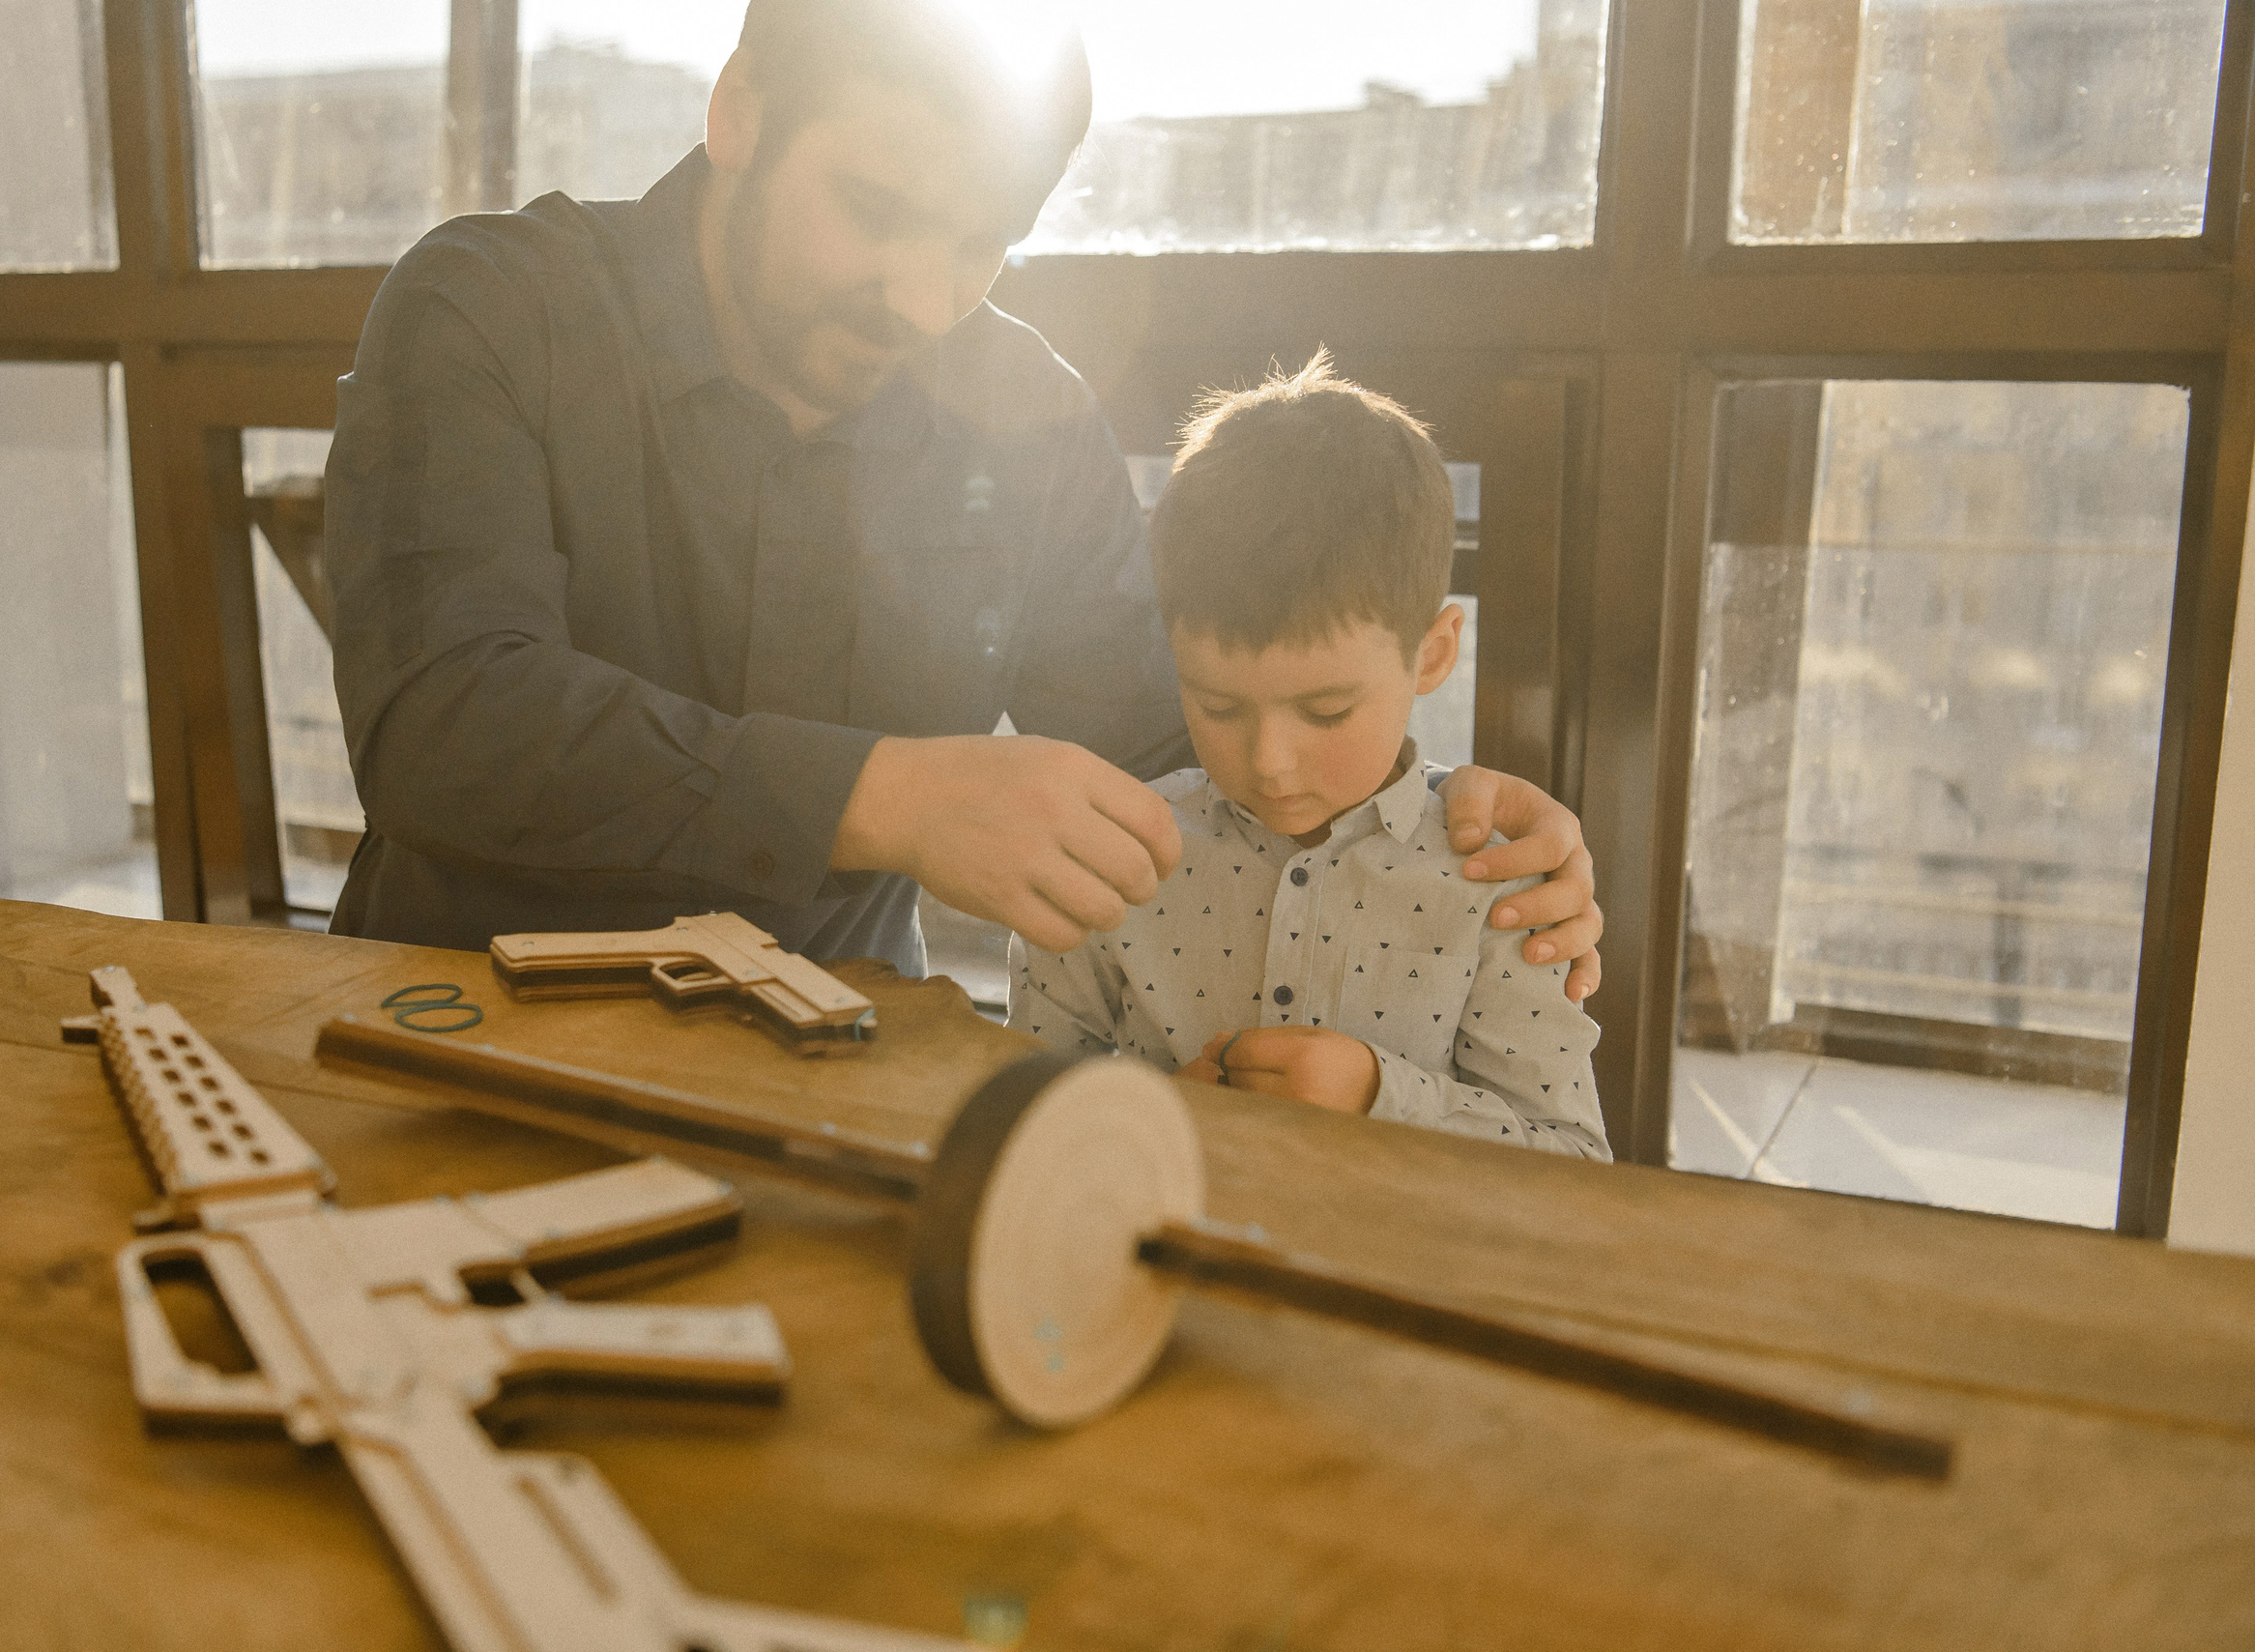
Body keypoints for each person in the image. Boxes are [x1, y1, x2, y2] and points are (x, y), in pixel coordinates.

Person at [322, 0, 1606, 998]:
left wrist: (1436, 829)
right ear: (739, 114)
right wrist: (889, 798)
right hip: (453, 1025)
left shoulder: (1027, 414)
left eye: (982, 242)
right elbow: (443, 725)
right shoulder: (491, 305)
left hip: (844, 1060)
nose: (923, 299)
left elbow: (1178, 760)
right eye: (875, 210)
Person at [1015, 354, 1608, 1157]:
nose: (1270, 762)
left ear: (1434, 654)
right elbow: (1018, 1109)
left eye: (1327, 710)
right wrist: (1149, 1114)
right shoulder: (1113, 858)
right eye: (1218, 704)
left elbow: (1575, 1161)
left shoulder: (1499, 886)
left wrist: (1382, 1098)